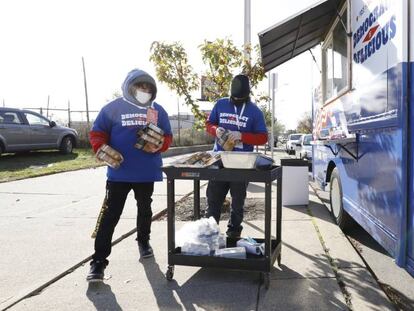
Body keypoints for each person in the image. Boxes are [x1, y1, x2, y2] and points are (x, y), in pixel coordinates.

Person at [86, 68, 172, 282]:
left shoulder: (157, 110)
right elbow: (97, 133)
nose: (144, 91)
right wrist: (100, 148)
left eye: (148, 88)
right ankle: (99, 261)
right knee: (110, 215)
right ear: (129, 87)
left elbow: (168, 137)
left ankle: (143, 240)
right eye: (140, 86)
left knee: (145, 209)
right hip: (119, 173)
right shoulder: (112, 108)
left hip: (146, 172)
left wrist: (159, 145)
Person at [205, 74, 268, 238]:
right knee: (213, 199)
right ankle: (210, 234)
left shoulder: (255, 111)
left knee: (237, 201)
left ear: (247, 95)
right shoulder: (220, 104)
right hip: (220, 159)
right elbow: (209, 124)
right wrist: (215, 130)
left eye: (240, 99)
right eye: (234, 98)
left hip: (242, 162)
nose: (236, 100)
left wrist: (242, 135)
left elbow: (263, 137)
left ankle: (234, 232)